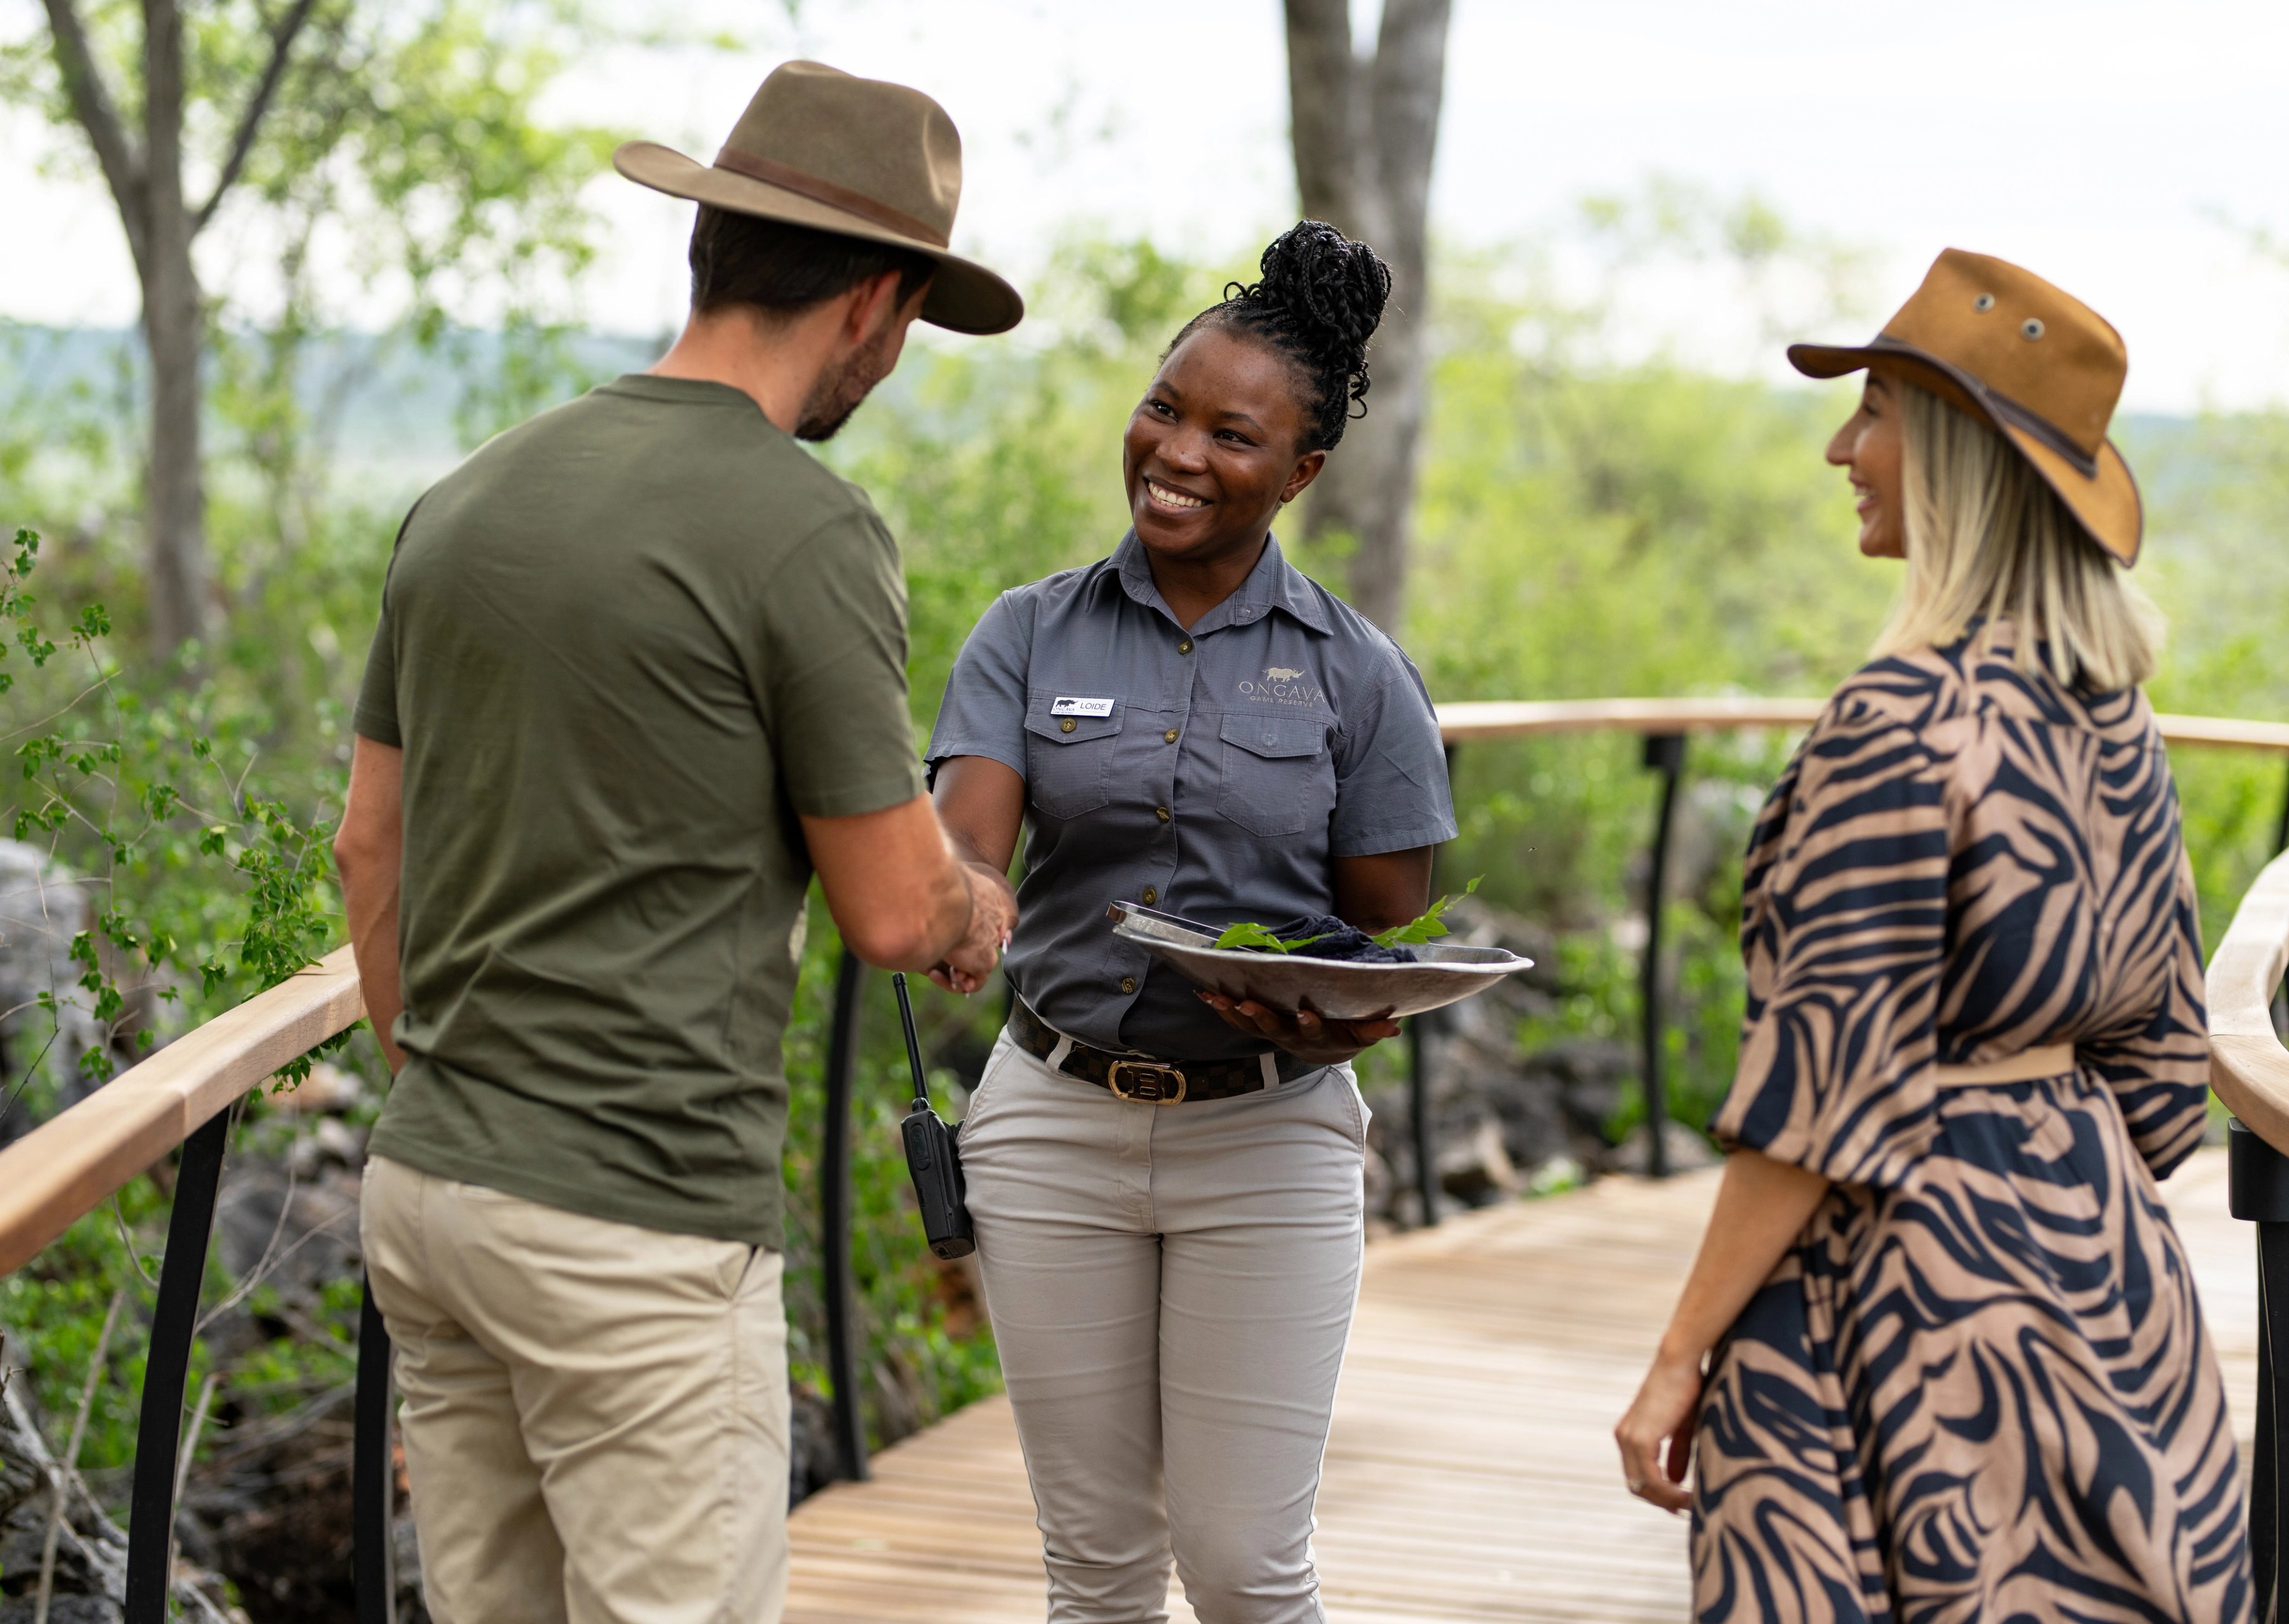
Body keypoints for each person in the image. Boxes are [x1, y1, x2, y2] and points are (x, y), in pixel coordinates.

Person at [332, 62, 1021, 1624]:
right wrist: (977, 904)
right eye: (910, 321)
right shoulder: (805, 528)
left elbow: (369, 845)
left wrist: (454, 1095)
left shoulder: (467, 496)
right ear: (875, 303)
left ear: (712, 243)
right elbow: (895, 911)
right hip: (634, 1217)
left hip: (431, 1187)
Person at [1611, 250, 2253, 1619]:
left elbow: (1819, 1104)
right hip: (2114, 1288)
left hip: (1901, 1295)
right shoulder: (2112, 714)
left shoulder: (1897, 721)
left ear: (1959, 457)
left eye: (1876, 414)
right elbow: (2162, 1071)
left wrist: (1678, 1357)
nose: (1842, 449)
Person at [924, 220, 1457, 1624]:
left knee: (1244, 1571)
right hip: (1051, 1125)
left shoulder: (1359, 672)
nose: (1177, 452)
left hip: (1267, 1138)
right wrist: (958, 905)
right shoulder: (1026, 634)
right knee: (1097, 1572)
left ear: (1302, 472)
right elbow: (967, 851)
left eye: (1232, 434)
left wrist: (1337, 1004)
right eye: (1165, 409)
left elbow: (1387, 925)